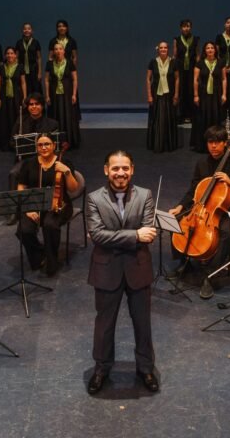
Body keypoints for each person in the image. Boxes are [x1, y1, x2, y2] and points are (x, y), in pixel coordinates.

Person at [85, 150, 160, 395]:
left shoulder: (146, 195)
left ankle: (146, 368)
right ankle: (102, 368)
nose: (120, 173)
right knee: (104, 324)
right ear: (106, 170)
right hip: (106, 271)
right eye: (115, 168)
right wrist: (135, 235)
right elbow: (97, 234)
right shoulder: (94, 198)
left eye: (125, 168)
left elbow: (147, 232)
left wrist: (118, 238)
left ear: (132, 169)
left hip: (138, 268)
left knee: (143, 323)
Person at [168, 125, 230, 300]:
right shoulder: (202, 163)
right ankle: (184, 262)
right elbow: (193, 190)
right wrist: (181, 206)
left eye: (217, 142)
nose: (213, 146)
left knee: (227, 234)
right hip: (203, 207)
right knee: (176, 220)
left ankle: (210, 276)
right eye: (210, 142)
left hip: (229, 209)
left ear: (224, 144)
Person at [16, 133, 79, 277]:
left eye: (47, 144)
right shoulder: (29, 163)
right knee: (24, 230)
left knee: (50, 224)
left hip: (59, 204)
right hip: (34, 203)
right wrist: (27, 207)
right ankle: (39, 254)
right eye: (40, 145)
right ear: (36, 147)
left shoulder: (64, 162)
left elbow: (74, 188)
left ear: (54, 146)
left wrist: (67, 172)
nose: (44, 148)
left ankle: (52, 260)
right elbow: (21, 185)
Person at [8, 94, 59, 194]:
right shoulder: (21, 122)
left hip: (45, 159)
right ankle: (15, 205)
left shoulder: (52, 124)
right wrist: (19, 146)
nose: (34, 106)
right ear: (27, 107)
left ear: (42, 106)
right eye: (31, 104)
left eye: (37, 104)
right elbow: (11, 141)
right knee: (13, 173)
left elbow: (56, 146)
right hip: (25, 160)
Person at [190, 42, 226, 152]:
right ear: (205, 51)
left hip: (216, 93)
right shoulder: (200, 63)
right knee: (202, 118)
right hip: (203, 94)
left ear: (215, 50)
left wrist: (224, 94)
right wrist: (196, 95)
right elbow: (195, 80)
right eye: (207, 48)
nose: (210, 50)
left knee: (215, 117)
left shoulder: (221, 62)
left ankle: (217, 144)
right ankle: (202, 145)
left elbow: (224, 79)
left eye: (212, 48)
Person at [44, 42, 81, 149]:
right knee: (55, 115)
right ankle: (55, 141)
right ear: (53, 52)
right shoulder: (49, 64)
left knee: (68, 116)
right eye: (56, 49)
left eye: (60, 49)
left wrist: (74, 94)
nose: (58, 51)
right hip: (54, 93)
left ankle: (69, 140)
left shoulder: (69, 63)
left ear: (64, 51)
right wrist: (47, 95)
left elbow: (75, 79)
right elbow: (46, 80)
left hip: (67, 93)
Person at [146, 41, 179, 153]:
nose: (163, 49)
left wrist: (176, 95)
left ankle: (168, 145)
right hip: (156, 95)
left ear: (168, 49)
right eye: (161, 48)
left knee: (169, 119)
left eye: (165, 48)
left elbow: (177, 79)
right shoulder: (153, 62)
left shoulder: (173, 62)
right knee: (156, 119)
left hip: (170, 94)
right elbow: (148, 79)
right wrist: (149, 95)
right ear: (158, 50)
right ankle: (156, 144)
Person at [0, 47, 27, 151]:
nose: (10, 55)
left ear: (15, 55)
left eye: (12, 53)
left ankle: (16, 143)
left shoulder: (20, 67)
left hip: (17, 97)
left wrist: (25, 97)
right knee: (4, 120)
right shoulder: (1, 67)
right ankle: (5, 143)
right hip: (4, 96)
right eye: (8, 53)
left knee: (16, 119)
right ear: (5, 55)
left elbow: (23, 83)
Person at [49, 19, 81, 120]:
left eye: (63, 26)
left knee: (71, 92)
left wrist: (72, 68)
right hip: (56, 68)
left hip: (67, 69)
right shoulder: (53, 41)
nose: (61, 28)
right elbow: (50, 57)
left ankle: (73, 116)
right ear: (57, 28)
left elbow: (74, 56)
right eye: (59, 26)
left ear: (67, 28)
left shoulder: (72, 41)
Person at [172, 19, 200, 123]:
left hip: (192, 68)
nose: (186, 28)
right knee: (181, 90)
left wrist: (199, 67)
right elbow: (175, 55)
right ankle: (180, 115)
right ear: (180, 28)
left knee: (191, 90)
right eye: (184, 26)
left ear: (191, 27)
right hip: (180, 68)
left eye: (188, 26)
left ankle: (191, 115)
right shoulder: (177, 39)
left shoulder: (196, 39)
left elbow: (197, 55)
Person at [16, 22, 42, 96]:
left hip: (33, 68)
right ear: (22, 31)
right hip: (22, 68)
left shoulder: (36, 42)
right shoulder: (19, 43)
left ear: (32, 31)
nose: (27, 30)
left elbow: (39, 58)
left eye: (29, 29)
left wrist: (39, 72)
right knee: (23, 89)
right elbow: (16, 57)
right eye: (25, 29)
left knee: (35, 89)